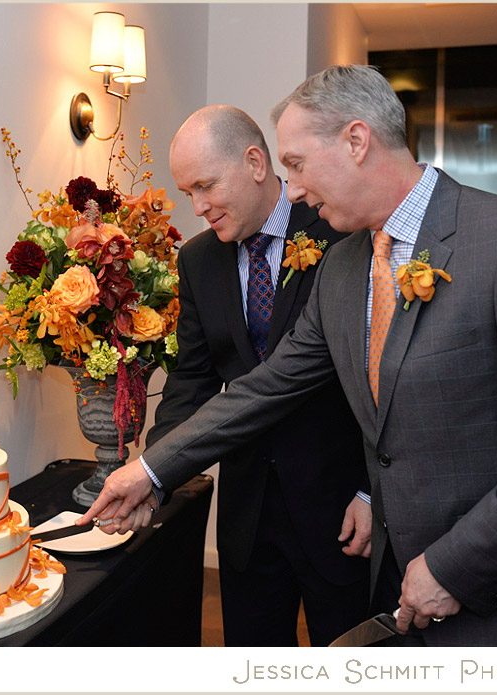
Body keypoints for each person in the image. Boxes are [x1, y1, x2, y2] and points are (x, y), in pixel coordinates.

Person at [81, 65, 497, 646]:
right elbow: (269, 387)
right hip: (396, 582)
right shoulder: (343, 269)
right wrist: (150, 469)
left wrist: (453, 565)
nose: (290, 192)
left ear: (356, 141)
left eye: (295, 165)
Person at [142, 105, 370, 647]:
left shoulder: (338, 233)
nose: (198, 208)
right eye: (188, 192)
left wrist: (370, 491)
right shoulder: (198, 260)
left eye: (205, 186)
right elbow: (192, 380)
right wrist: (155, 473)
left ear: (254, 162)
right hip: (248, 512)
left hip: (338, 507)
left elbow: (376, 376)